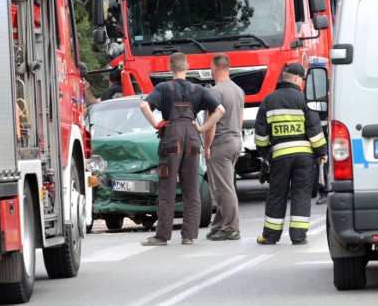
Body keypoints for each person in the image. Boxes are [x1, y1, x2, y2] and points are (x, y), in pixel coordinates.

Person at [139, 52, 225, 246]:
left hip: (171, 136)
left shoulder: (163, 88)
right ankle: (189, 235)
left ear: (170, 67)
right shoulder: (199, 89)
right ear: (187, 66)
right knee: (192, 187)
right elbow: (220, 110)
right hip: (193, 136)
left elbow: (144, 105)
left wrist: (156, 124)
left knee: (167, 187)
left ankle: (162, 236)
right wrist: (202, 128)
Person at [254, 63, 328, 245]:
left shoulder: (268, 101)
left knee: (276, 194)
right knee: (301, 193)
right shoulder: (303, 101)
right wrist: (321, 152)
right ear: (296, 79)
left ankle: (270, 236)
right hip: (304, 157)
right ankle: (298, 235)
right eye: (302, 80)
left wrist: (265, 153)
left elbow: (260, 135)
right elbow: (314, 129)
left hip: (279, 157)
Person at [203, 54, 244, 241]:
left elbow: (211, 123)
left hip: (220, 142)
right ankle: (219, 224)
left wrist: (207, 146)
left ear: (214, 67)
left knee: (223, 187)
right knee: (222, 185)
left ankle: (231, 227)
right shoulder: (238, 90)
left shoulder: (214, 92)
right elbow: (241, 118)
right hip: (235, 140)